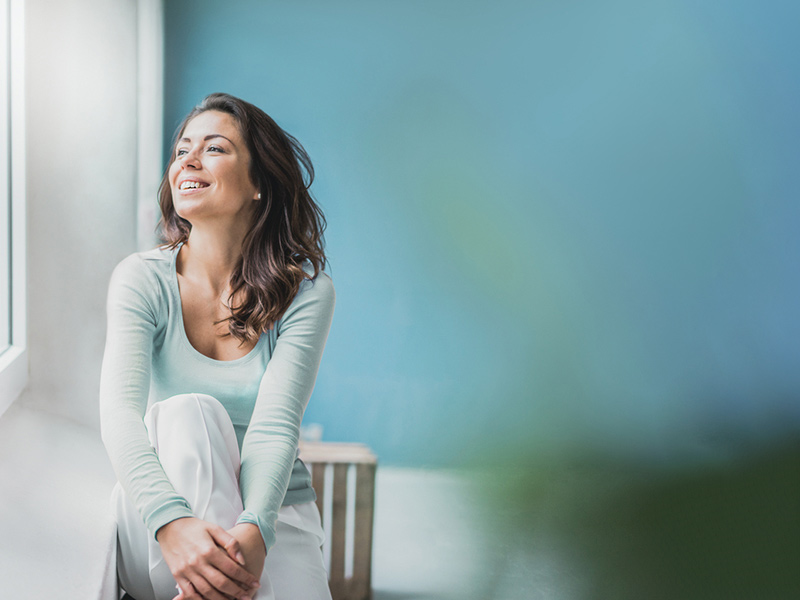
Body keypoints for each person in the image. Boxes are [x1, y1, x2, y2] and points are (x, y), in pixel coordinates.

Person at [99, 93, 335, 600]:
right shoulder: (141, 279)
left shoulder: (306, 294)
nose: (187, 159)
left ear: (258, 184)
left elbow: (276, 425)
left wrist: (254, 530)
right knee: (189, 414)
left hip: (272, 514)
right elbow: (119, 415)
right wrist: (172, 523)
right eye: (182, 149)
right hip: (161, 519)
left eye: (215, 148)